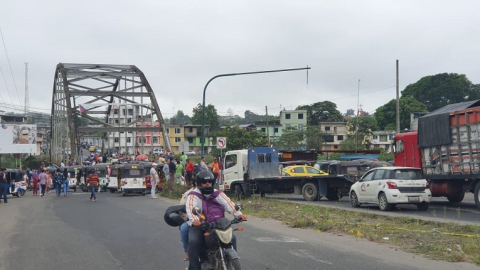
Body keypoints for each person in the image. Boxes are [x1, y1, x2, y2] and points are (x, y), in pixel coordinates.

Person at [185, 171, 247, 270]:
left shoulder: (218, 193)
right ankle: (194, 267)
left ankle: (231, 258)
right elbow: (191, 208)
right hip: (200, 225)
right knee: (194, 241)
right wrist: (195, 220)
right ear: (199, 183)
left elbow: (229, 204)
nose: (207, 184)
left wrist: (239, 214)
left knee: (232, 238)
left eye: (209, 182)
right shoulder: (193, 195)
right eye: (204, 182)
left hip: (217, 224)